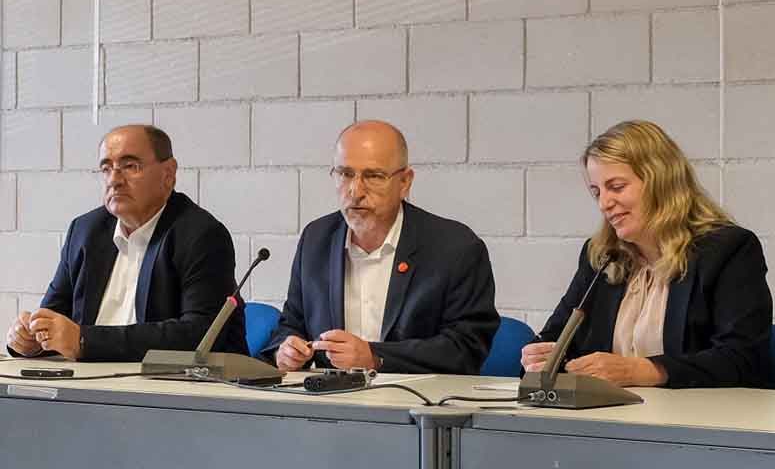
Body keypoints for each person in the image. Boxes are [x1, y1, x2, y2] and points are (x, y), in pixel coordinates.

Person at [521, 120, 772, 388]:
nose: (604, 203)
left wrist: (644, 371)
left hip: (696, 412)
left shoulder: (728, 249)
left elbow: (743, 359)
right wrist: (539, 359)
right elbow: (555, 339)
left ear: (660, 181)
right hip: (608, 412)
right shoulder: (600, 256)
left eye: (617, 187)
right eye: (597, 192)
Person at [261, 120, 499, 374]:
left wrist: (375, 357)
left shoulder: (455, 247)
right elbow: (291, 323)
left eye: (373, 176)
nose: (355, 191)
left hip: (418, 397)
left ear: (405, 182)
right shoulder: (316, 239)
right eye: (345, 174)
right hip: (330, 395)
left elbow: (466, 348)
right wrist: (284, 351)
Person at [4, 125, 245, 361]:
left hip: (166, 384)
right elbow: (54, 320)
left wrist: (84, 341)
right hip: (87, 380)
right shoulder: (85, 231)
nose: (114, 180)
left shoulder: (200, 234)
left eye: (130, 166)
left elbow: (199, 334)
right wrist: (31, 340)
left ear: (168, 174)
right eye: (106, 168)